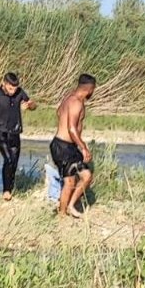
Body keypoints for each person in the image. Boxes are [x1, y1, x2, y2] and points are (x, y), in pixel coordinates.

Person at [50, 74, 96, 218]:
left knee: (86, 176)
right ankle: (62, 214)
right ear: (89, 89)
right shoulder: (76, 102)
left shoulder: (68, 98)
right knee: (69, 181)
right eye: (93, 90)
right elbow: (71, 128)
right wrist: (83, 147)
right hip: (63, 146)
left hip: (68, 146)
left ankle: (70, 206)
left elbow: (58, 112)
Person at [0, 72, 35, 201]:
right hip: (0, 132)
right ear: (4, 84)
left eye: (15, 88)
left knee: (14, 162)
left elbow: (33, 105)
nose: (13, 91)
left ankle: (10, 189)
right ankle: (6, 191)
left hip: (15, 132)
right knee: (8, 160)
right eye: (10, 88)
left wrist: (29, 106)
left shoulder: (20, 92)